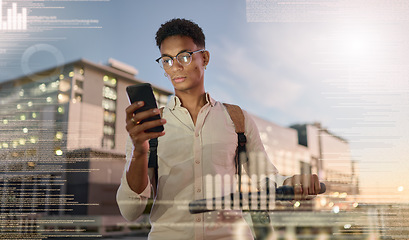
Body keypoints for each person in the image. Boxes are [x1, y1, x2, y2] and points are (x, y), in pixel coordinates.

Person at [117, 18, 321, 240]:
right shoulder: (146, 130)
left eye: (184, 56)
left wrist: (289, 183)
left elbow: (266, 177)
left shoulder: (236, 118)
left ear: (204, 57)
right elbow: (130, 211)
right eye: (166, 60)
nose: (175, 67)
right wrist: (139, 152)